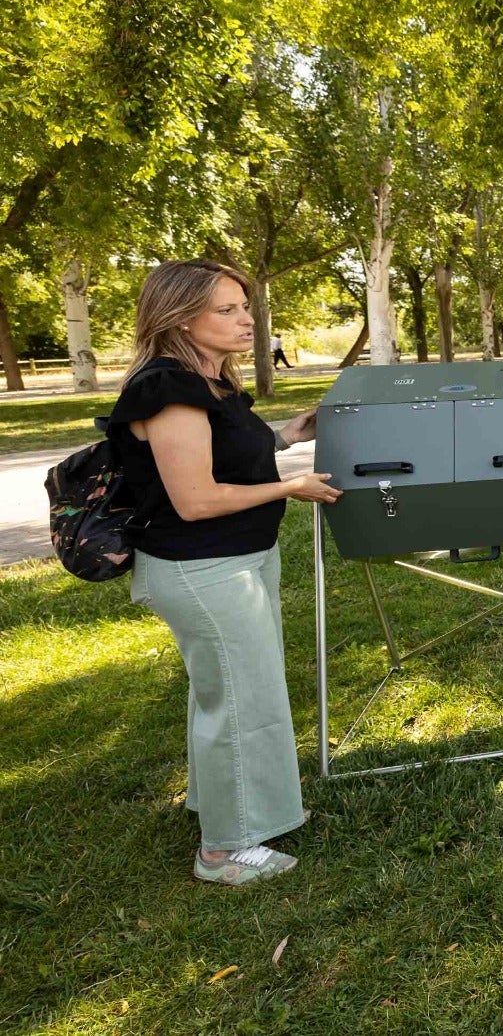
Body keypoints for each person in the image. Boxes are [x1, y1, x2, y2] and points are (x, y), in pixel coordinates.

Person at [109, 259, 342, 886]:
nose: (247, 320)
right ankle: (224, 849)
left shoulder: (212, 384)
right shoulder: (167, 388)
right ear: (180, 316)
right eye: (227, 310)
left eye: (246, 307)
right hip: (200, 567)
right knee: (241, 697)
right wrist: (289, 488)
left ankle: (229, 804)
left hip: (235, 559)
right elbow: (196, 498)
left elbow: (234, 455)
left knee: (231, 691)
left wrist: (291, 433)